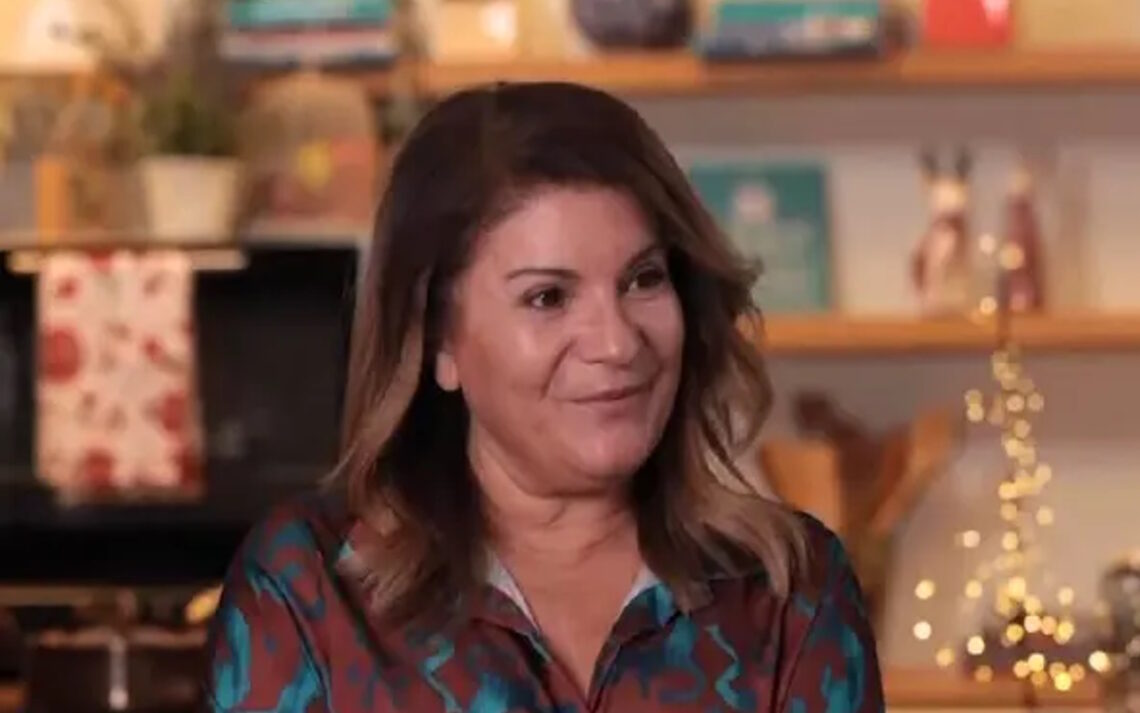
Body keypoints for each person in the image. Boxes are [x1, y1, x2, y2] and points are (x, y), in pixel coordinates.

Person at [204, 81, 884, 713]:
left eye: (643, 279)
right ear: (438, 339)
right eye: (548, 297)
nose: (616, 342)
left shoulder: (791, 593)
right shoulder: (309, 590)